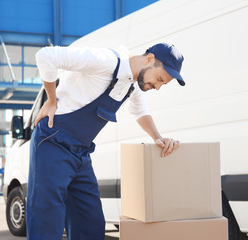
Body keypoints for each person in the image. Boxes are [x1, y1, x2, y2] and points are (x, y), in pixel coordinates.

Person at [26, 43, 185, 240]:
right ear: (150, 59)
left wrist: (158, 138)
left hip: (80, 153)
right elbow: (46, 56)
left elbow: (140, 111)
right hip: (53, 143)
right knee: (47, 221)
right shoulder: (106, 61)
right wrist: (50, 100)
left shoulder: (132, 85)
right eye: (160, 79)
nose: (158, 87)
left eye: (163, 84)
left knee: (90, 223)